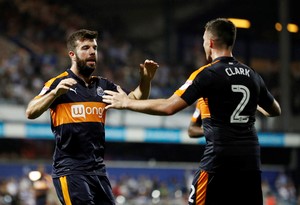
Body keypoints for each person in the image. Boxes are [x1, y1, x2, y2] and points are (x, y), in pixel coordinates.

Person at [103, 18, 281, 205]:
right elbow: (275, 110)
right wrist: (254, 102)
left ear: (211, 42)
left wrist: (126, 103)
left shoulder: (207, 74)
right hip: (251, 161)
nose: (203, 44)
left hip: (219, 160)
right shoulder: (252, 74)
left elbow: (169, 106)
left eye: (204, 40)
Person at [26, 29, 158, 205]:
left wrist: (146, 81)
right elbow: (31, 111)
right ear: (72, 54)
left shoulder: (103, 85)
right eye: (86, 48)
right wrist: (54, 94)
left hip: (98, 171)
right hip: (70, 170)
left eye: (94, 48)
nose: (92, 52)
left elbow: (135, 99)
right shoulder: (59, 83)